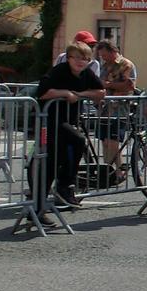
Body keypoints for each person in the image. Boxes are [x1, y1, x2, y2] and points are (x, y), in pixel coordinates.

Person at [35, 41, 105, 213]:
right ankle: (45, 201)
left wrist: (80, 94)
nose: (81, 62)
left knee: (62, 157)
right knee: (70, 146)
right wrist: (65, 93)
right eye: (77, 58)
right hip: (51, 120)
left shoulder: (86, 73)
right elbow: (42, 92)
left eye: (85, 59)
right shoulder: (59, 71)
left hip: (69, 120)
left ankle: (62, 189)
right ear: (68, 58)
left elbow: (100, 92)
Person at [95, 40, 137, 181]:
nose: (103, 58)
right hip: (104, 108)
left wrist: (108, 85)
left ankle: (119, 171)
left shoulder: (126, 64)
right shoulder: (105, 66)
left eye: (105, 55)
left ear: (113, 51)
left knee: (113, 140)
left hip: (119, 108)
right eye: (101, 56)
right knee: (105, 141)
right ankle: (108, 171)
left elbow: (129, 86)